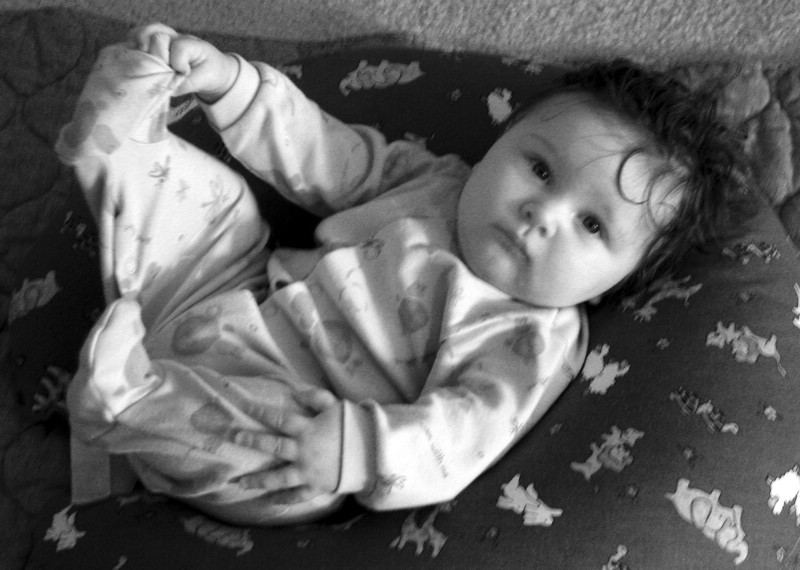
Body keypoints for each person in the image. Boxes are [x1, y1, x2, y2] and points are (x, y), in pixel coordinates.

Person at [58, 23, 740, 525]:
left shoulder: (533, 338)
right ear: (497, 145)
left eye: (592, 226)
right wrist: (229, 83)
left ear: (614, 284)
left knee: (285, 473)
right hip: (232, 298)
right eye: (538, 168)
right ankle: (125, 143)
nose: (542, 212)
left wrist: (359, 451)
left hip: (297, 409)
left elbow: (464, 434)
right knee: (222, 207)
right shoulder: (435, 181)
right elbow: (322, 151)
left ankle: (126, 407)